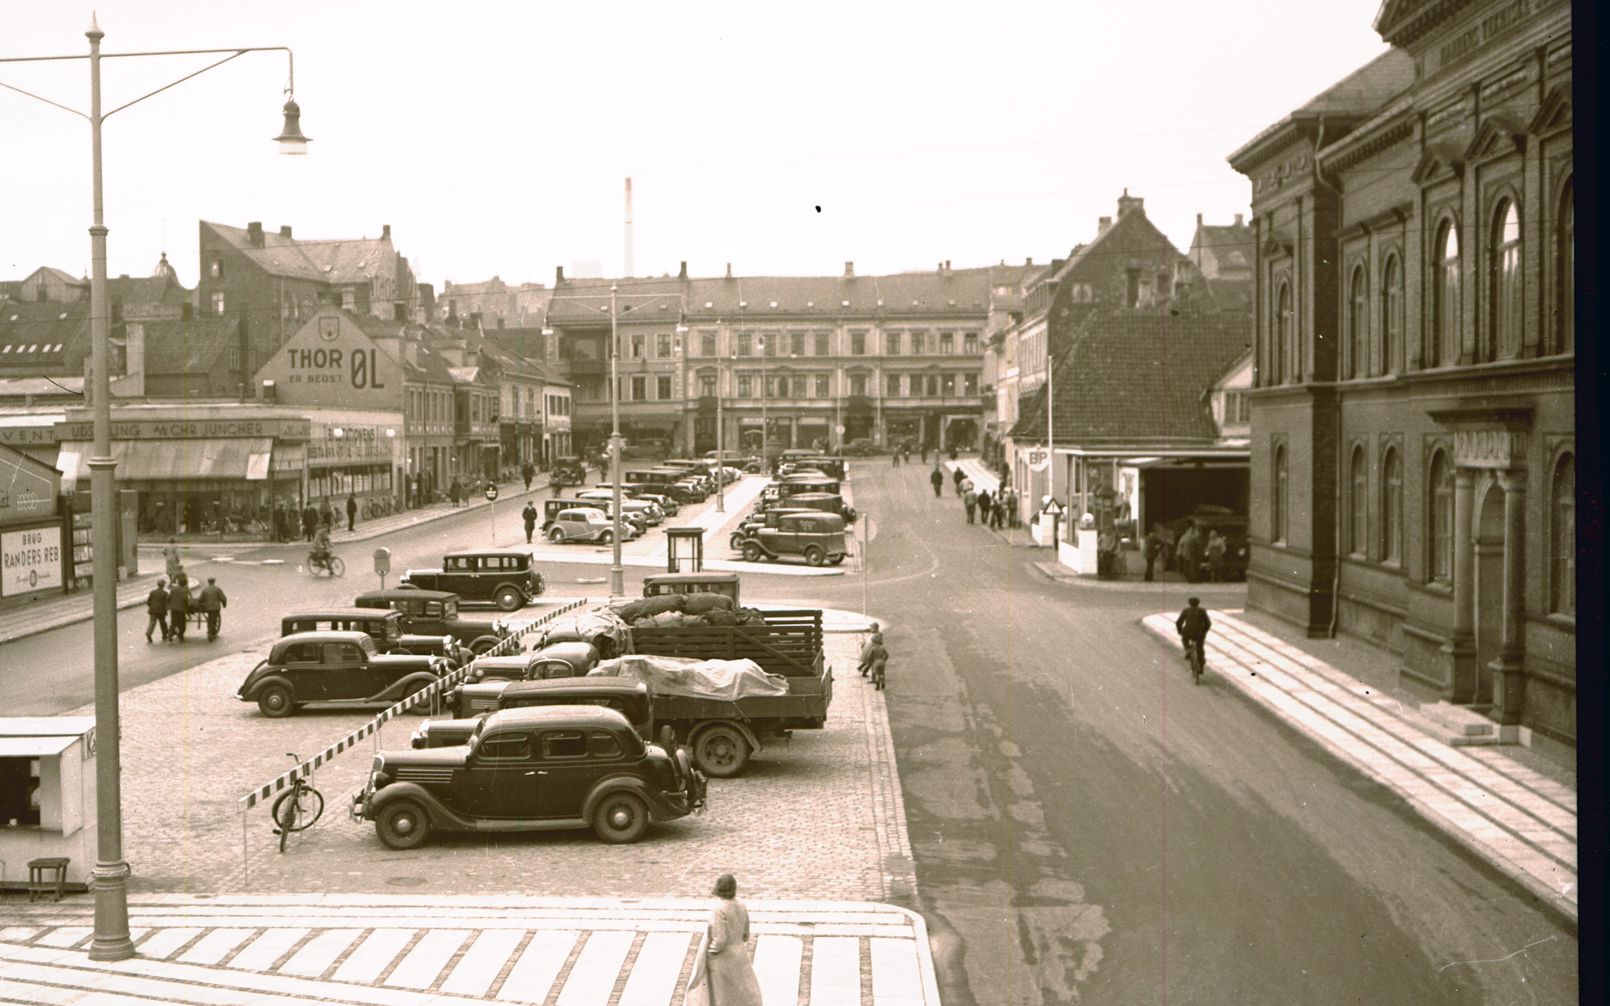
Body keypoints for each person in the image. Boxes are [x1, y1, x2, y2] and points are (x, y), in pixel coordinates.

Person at [688, 874, 762, 1006]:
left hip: (722, 958)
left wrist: (711, 952)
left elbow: (720, 938)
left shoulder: (719, 909)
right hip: (740, 954)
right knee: (739, 994)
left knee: (722, 996)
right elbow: (745, 933)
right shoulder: (741, 905)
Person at [1175, 596, 1212, 662]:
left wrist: (1180, 631)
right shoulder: (1202, 610)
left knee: (1184, 639)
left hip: (1187, 632)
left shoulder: (1186, 610)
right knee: (1200, 647)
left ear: (1189, 603)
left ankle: (1188, 649)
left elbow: (1179, 622)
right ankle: (1201, 666)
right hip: (1199, 633)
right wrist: (1204, 631)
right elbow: (1208, 623)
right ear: (1198, 603)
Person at [197, 576, 227, 641]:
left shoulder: (205, 590)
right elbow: (223, 598)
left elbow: (200, 599)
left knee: (210, 618)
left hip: (207, 607)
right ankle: (210, 632)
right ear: (214, 582)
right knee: (213, 619)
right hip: (216, 607)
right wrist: (224, 605)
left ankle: (210, 631)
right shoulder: (217, 589)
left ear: (208, 582)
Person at [145, 578, 170, 643]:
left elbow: (148, 601)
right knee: (163, 623)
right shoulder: (165, 593)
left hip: (152, 610)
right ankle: (164, 634)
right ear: (163, 585)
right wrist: (166, 608)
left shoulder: (152, 592)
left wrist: (151, 607)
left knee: (152, 622)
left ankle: (149, 633)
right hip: (161, 611)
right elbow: (166, 603)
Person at [167, 577, 191, 642]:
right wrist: (187, 606)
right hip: (181, 609)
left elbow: (168, 597)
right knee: (182, 623)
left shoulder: (173, 589)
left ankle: (170, 633)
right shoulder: (184, 590)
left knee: (173, 621)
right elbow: (185, 600)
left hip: (173, 608)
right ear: (185, 584)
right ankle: (180, 635)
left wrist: (168, 605)